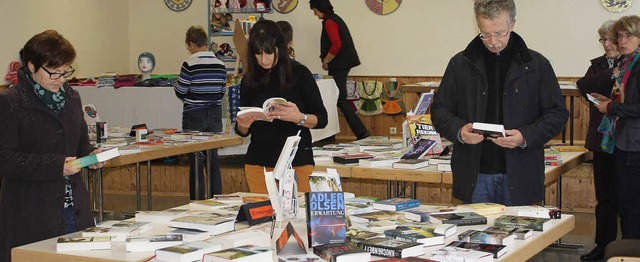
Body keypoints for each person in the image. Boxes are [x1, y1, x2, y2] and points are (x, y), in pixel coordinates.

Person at [431, 0, 568, 206]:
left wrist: (525, 136)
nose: (493, 41)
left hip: (521, 173)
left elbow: (557, 114)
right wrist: (460, 131)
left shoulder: (536, 65)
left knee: (523, 238)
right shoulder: (460, 64)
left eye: (499, 33)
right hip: (474, 176)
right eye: (485, 34)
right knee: (472, 237)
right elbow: (440, 110)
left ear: (513, 24)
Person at [0, 30, 101, 261]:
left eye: (65, 72)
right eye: (54, 73)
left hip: (73, 206)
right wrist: (56, 166)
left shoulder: (72, 97)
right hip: (31, 211)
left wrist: (92, 155)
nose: (61, 79)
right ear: (32, 66)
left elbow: (81, 143)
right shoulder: (11, 101)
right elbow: (4, 159)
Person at [235, 20, 328, 193]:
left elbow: (322, 118)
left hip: (297, 161)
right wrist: (243, 126)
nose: (264, 60)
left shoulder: (300, 73)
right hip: (259, 162)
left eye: (269, 53)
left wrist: (300, 118)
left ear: (280, 47)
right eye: (258, 54)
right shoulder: (249, 80)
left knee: (299, 216)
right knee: (263, 217)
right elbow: (241, 129)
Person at [576, 20, 622, 262]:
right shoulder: (598, 64)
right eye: (602, 40)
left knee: (627, 198)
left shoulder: (633, 62)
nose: (606, 44)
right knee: (604, 199)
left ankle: (627, 248)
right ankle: (603, 246)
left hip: (628, 141)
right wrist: (610, 73)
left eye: (610, 40)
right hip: (603, 140)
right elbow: (584, 86)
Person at [592, 15, 640, 241]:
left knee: (630, 205)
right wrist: (609, 102)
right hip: (625, 141)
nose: (622, 40)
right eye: (619, 36)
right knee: (625, 203)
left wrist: (611, 107)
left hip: (634, 144)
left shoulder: (636, 65)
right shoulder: (628, 63)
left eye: (628, 35)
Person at [174, 25, 227, 200]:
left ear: (191, 43)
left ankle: (197, 200)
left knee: (196, 161)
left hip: (194, 115)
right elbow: (221, 92)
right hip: (214, 114)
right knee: (213, 160)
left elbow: (181, 91)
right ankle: (217, 199)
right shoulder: (220, 64)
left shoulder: (189, 64)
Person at [309, 0, 368, 140]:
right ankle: (338, 134)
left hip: (339, 65)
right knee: (338, 98)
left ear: (321, 9)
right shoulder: (335, 19)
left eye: (315, 11)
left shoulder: (330, 22)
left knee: (340, 99)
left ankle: (361, 132)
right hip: (342, 65)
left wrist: (326, 60)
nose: (315, 14)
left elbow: (336, 45)